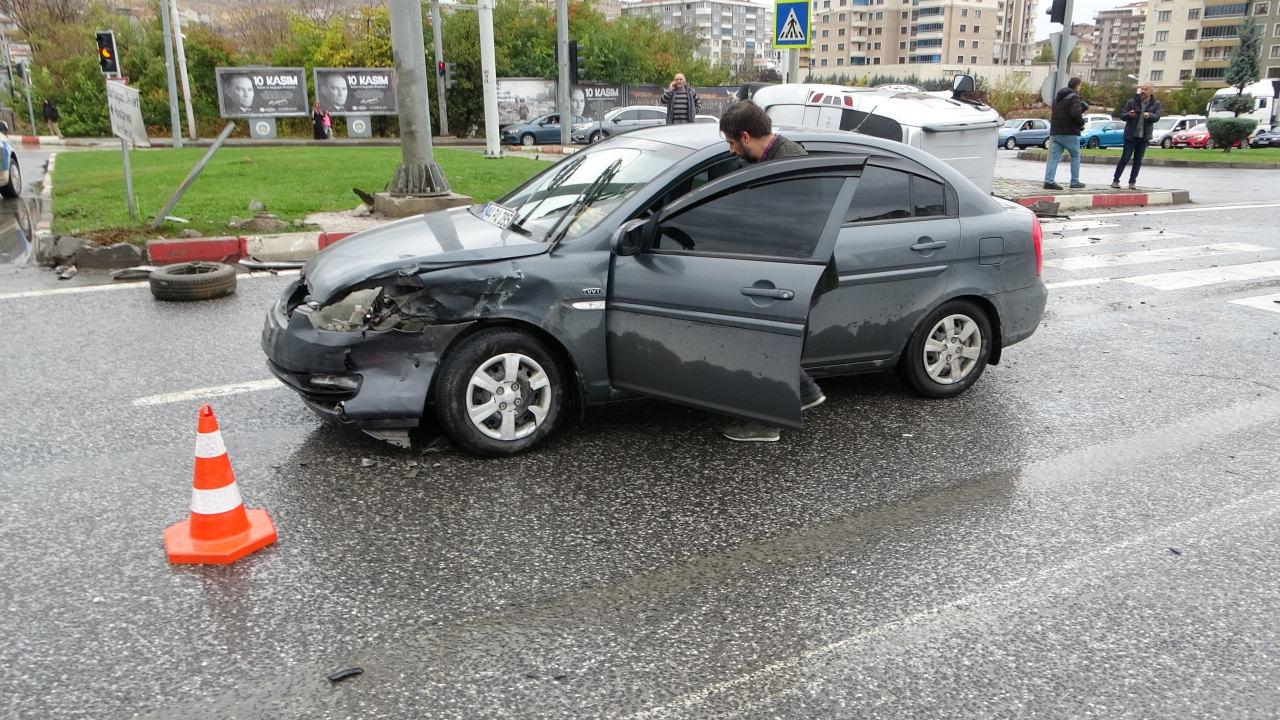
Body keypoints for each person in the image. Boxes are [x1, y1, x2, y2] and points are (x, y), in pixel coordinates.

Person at [715, 100, 829, 443]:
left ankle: (784, 408)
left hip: (793, 272)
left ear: (746, 136)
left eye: (732, 142)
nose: (731, 150)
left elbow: (796, 225)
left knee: (769, 345)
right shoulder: (765, 159)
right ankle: (785, 405)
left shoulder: (790, 163)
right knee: (769, 343)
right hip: (780, 270)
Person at [1113, 82, 1162, 190]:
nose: (1143, 91)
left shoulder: (1156, 104)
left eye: (1146, 89)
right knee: (1124, 158)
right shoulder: (1132, 102)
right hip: (1130, 136)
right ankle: (1116, 180)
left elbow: (1157, 117)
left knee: (1138, 160)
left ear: (1151, 91)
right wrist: (1129, 115)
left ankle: (1132, 182)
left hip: (1143, 137)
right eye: (1142, 89)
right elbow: (1122, 115)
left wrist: (1149, 115)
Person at [1044, 77, 1087, 190]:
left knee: (1053, 157)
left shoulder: (1057, 98)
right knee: (1075, 155)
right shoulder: (1075, 97)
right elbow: (1075, 114)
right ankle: (1074, 181)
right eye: (1080, 86)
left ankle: (1048, 180)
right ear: (1077, 86)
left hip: (1055, 132)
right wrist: (1082, 122)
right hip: (1070, 132)